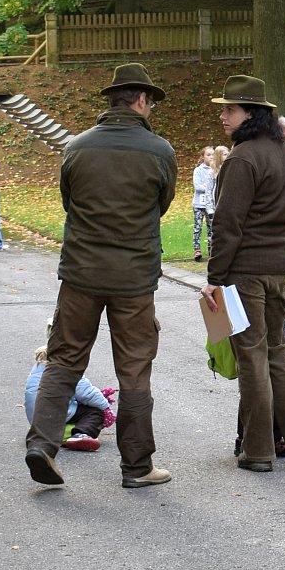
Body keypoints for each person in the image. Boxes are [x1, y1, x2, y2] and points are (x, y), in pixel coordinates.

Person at [26, 64, 176, 487]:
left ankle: (42, 444)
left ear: (113, 100)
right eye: (151, 102)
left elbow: (69, 201)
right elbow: (161, 205)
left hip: (81, 273)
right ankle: (137, 467)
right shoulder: (159, 150)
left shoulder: (77, 147)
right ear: (141, 100)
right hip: (134, 277)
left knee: (64, 360)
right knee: (134, 369)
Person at [203, 75, 285, 473]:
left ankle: (257, 451)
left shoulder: (242, 158)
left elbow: (227, 224)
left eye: (230, 109)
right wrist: (282, 254)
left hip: (245, 271)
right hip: (277, 268)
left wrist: (215, 277)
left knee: (252, 358)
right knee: (275, 356)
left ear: (251, 113)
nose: (223, 116)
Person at [24, 346, 114, 453]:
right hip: (57, 414)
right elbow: (86, 392)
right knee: (96, 412)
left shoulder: (35, 372)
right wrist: (105, 407)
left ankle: (48, 433)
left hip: (37, 419)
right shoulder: (66, 368)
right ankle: (80, 434)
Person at [191, 147, 217, 261]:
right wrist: (208, 188)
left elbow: (216, 187)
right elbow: (198, 187)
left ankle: (211, 249)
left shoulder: (216, 170)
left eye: (213, 154)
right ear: (203, 157)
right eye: (208, 154)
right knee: (198, 227)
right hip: (199, 204)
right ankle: (197, 249)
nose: (211, 157)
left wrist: (208, 187)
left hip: (210, 204)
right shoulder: (198, 170)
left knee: (211, 227)